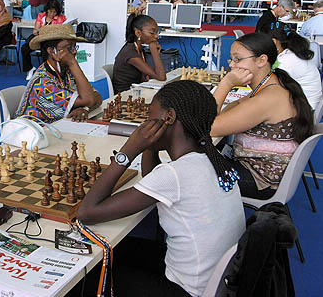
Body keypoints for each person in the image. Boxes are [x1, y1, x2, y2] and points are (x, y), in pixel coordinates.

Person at [76, 80, 245, 297]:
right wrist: (149, 146)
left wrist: (128, 151)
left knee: (87, 279)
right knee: (119, 250)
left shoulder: (174, 174)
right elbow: (152, 178)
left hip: (186, 291)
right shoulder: (212, 158)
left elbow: (87, 213)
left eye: (150, 118)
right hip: (217, 280)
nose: (146, 124)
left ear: (169, 117)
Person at [211, 33, 313, 199]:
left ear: (261, 60)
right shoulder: (272, 83)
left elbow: (209, 127)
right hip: (264, 170)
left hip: (260, 178)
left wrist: (226, 84)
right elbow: (227, 111)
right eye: (231, 59)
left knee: (193, 170)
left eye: (238, 59)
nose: (231, 65)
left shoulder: (269, 97)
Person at [16, 24, 102, 123]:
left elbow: (97, 96)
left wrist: (85, 109)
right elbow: (90, 99)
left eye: (75, 47)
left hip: (56, 128)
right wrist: (73, 63)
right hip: (33, 133)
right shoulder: (43, 81)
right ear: (52, 51)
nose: (74, 52)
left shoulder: (66, 71)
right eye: (69, 48)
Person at [268, 24, 322, 110]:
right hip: (309, 104)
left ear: (274, 42)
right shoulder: (293, 54)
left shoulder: (286, 61)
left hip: (304, 111)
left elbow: (268, 85)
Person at [113, 14, 166, 94]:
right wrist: (154, 51)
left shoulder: (138, 48)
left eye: (157, 32)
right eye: (152, 32)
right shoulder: (130, 53)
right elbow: (161, 77)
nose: (156, 36)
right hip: (126, 95)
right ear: (138, 33)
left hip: (137, 89)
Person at [22, 0, 66, 80]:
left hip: (51, 40)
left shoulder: (61, 18)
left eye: (54, 12)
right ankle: (29, 69)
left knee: (45, 50)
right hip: (40, 38)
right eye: (50, 11)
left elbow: (62, 30)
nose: (52, 14)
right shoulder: (41, 16)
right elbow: (35, 29)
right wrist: (36, 31)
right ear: (47, 10)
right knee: (24, 48)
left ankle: (47, 72)